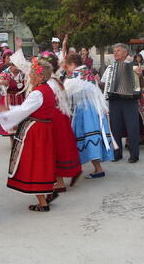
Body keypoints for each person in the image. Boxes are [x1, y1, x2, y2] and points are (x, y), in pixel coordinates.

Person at [0, 58, 56, 212]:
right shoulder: (47, 89)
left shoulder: (38, 93)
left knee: (34, 163)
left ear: (41, 76)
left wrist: (4, 114)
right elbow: (25, 108)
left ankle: (42, 202)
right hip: (45, 129)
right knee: (42, 161)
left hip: (36, 130)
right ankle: (47, 192)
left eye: (32, 74)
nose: (29, 76)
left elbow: (23, 111)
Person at [40, 51, 82, 201]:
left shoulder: (48, 83)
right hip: (62, 116)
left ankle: (59, 182)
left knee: (54, 149)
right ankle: (72, 171)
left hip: (53, 118)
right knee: (65, 145)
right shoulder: (57, 80)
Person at [65, 53, 114, 178]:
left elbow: (65, 94)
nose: (67, 69)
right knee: (92, 138)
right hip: (95, 108)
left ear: (72, 64)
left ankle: (87, 169)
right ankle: (98, 169)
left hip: (84, 110)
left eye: (67, 66)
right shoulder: (88, 72)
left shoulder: (74, 75)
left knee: (85, 138)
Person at [101, 44, 141, 163]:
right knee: (115, 128)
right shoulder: (110, 68)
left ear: (125, 53)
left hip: (130, 100)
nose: (115, 53)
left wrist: (140, 76)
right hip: (114, 100)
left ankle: (134, 155)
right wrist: (106, 84)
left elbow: (140, 86)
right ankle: (116, 153)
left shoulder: (133, 66)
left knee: (132, 128)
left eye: (118, 51)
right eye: (114, 51)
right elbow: (103, 83)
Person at [0, 58, 25, 140]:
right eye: (17, 67)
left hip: (19, 98)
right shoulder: (5, 73)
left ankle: (19, 140)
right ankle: (12, 141)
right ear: (12, 65)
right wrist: (0, 82)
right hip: (8, 99)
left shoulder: (22, 73)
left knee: (20, 119)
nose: (18, 69)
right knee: (10, 119)